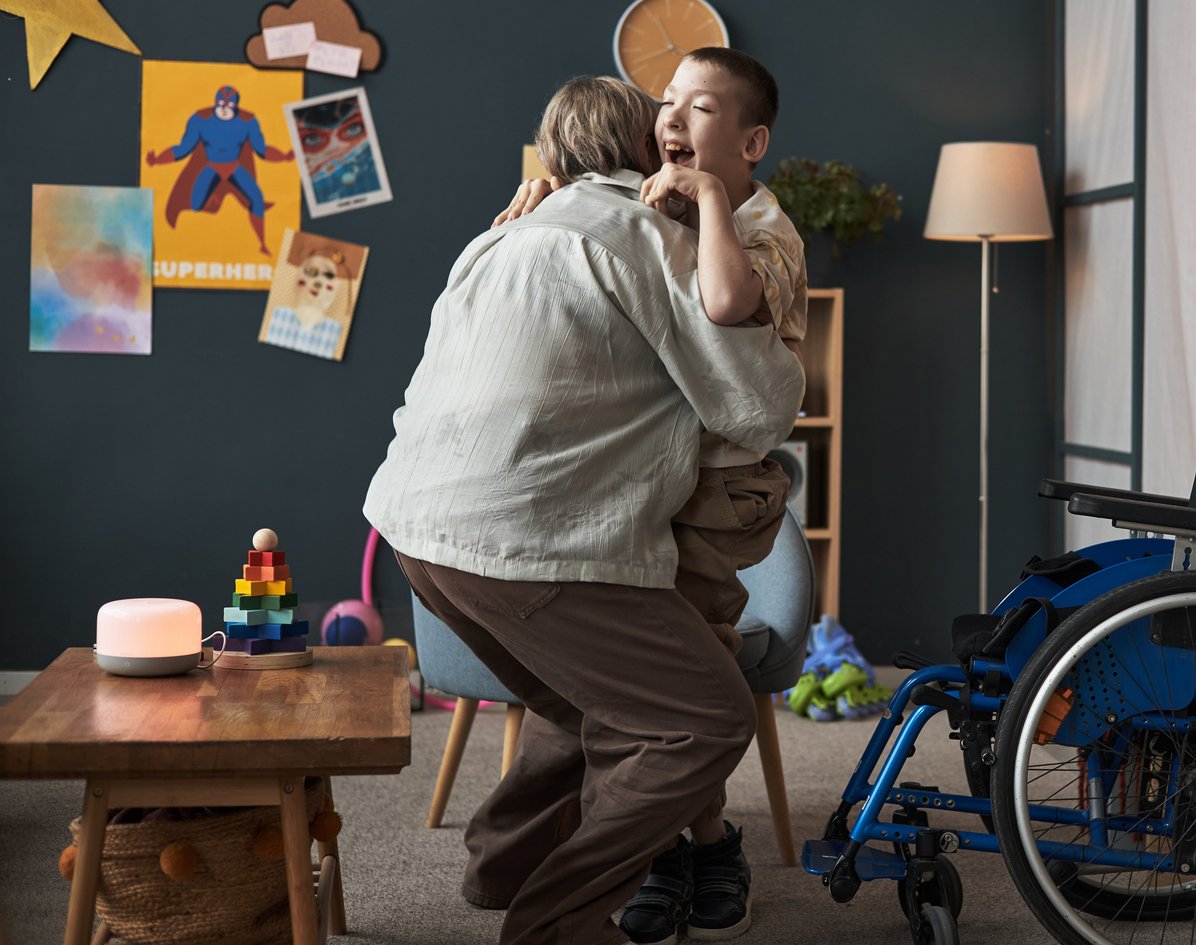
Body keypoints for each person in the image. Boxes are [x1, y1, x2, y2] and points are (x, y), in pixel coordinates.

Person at [363, 75, 804, 945]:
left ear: (553, 160)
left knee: (579, 699)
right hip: (532, 539)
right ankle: (556, 922)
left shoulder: (497, 238)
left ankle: (503, 862)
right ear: (648, 155)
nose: (677, 129)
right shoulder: (650, 237)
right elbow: (760, 408)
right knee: (703, 720)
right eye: (666, 120)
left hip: (414, 531)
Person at [495, 47, 806, 945]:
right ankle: (686, 847)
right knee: (640, 691)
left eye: (699, 107)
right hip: (648, 476)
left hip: (719, 492)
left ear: (751, 142)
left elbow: (720, 303)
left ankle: (693, 848)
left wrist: (709, 200)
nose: (671, 117)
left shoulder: (765, 227)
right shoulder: (657, 206)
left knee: (681, 685)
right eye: (666, 102)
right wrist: (541, 205)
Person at [145, 85, 292, 255]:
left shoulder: (248, 121)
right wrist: (157, 160)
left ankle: (263, 244)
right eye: (221, 104)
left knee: (257, 199)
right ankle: (213, 197)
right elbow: (183, 149)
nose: (224, 109)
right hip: (212, 166)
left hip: (234, 167)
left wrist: (284, 157)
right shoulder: (200, 119)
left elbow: (262, 150)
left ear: (236, 106)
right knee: (195, 205)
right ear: (215, 102)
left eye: (229, 106)